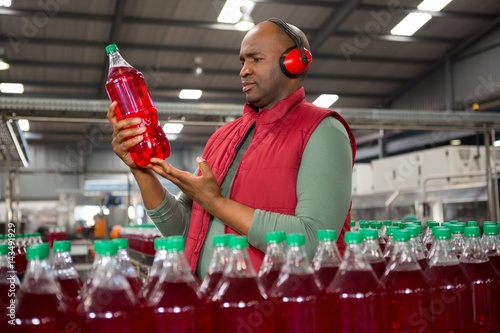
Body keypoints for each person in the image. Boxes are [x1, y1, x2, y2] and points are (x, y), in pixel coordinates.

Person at [107, 18, 356, 279]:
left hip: (278, 309)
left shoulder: (323, 130)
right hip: (214, 302)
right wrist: (140, 170)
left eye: (255, 59)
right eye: (242, 61)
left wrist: (215, 202)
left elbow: (312, 243)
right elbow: (182, 232)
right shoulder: (223, 138)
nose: (244, 71)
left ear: (294, 62)